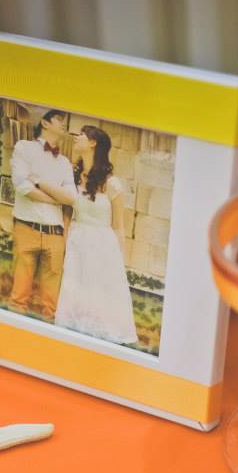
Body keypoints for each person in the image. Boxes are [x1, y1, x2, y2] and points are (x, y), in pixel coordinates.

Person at [33, 125, 138, 345]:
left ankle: (97, 337)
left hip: (102, 245)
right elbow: (67, 215)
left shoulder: (112, 184)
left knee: (97, 291)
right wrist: (64, 243)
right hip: (77, 241)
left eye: (82, 134)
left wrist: (120, 261)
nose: (76, 137)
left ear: (93, 143)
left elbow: (119, 227)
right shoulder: (73, 177)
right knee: (74, 287)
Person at [8, 109, 78, 320]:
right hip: (26, 228)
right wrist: (56, 198)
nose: (64, 124)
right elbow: (22, 186)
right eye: (58, 119)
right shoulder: (24, 148)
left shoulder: (64, 163)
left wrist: (39, 182)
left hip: (55, 234)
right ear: (45, 123)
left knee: (51, 304)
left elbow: (71, 197)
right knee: (19, 296)